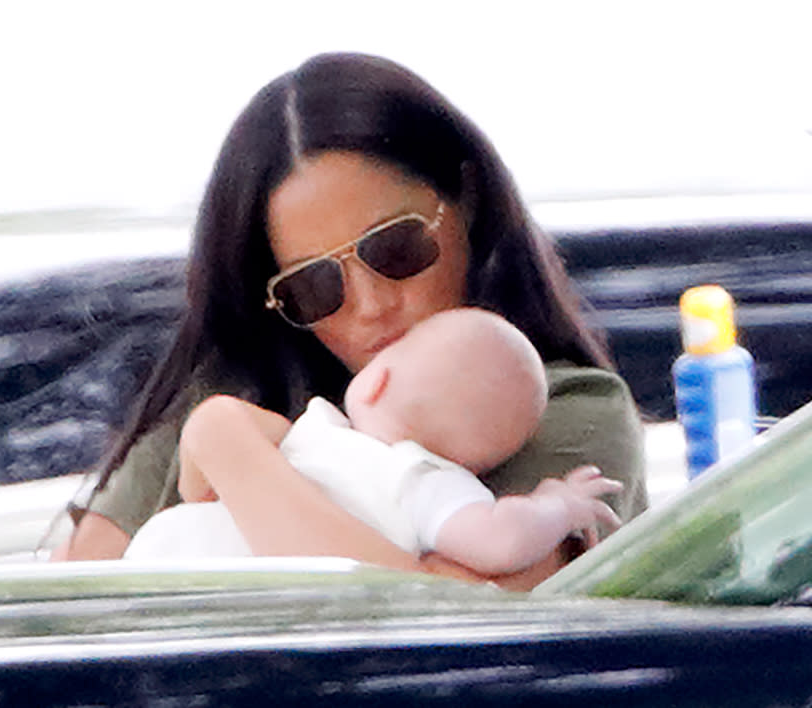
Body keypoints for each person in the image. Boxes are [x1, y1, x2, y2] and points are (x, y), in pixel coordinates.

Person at [53, 52, 648, 588]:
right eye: (314, 287)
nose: (370, 304)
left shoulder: (556, 408)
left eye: (396, 248)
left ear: (465, 200)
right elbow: (71, 608)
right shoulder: (230, 390)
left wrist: (231, 450)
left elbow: (445, 622)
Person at [124, 308, 624, 576]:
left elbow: (201, 483)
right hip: (240, 594)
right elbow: (500, 539)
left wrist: (218, 440)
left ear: (377, 378)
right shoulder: (427, 482)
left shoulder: (338, 440)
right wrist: (554, 506)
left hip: (166, 557)